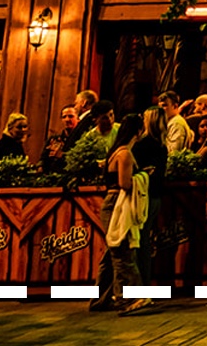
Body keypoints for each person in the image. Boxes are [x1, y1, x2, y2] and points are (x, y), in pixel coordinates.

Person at [90, 115, 147, 314]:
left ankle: (100, 300)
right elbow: (125, 183)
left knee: (112, 253)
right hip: (118, 203)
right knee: (122, 251)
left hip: (112, 202)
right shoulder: (125, 154)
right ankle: (128, 298)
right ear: (138, 131)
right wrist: (143, 177)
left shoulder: (116, 152)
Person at [130, 108, 167, 298]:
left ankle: (140, 286)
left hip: (142, 196)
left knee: (139, 241)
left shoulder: (142, 145)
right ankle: (143, 283)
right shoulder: (161, 145)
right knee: (144, 239)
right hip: (156, 196)